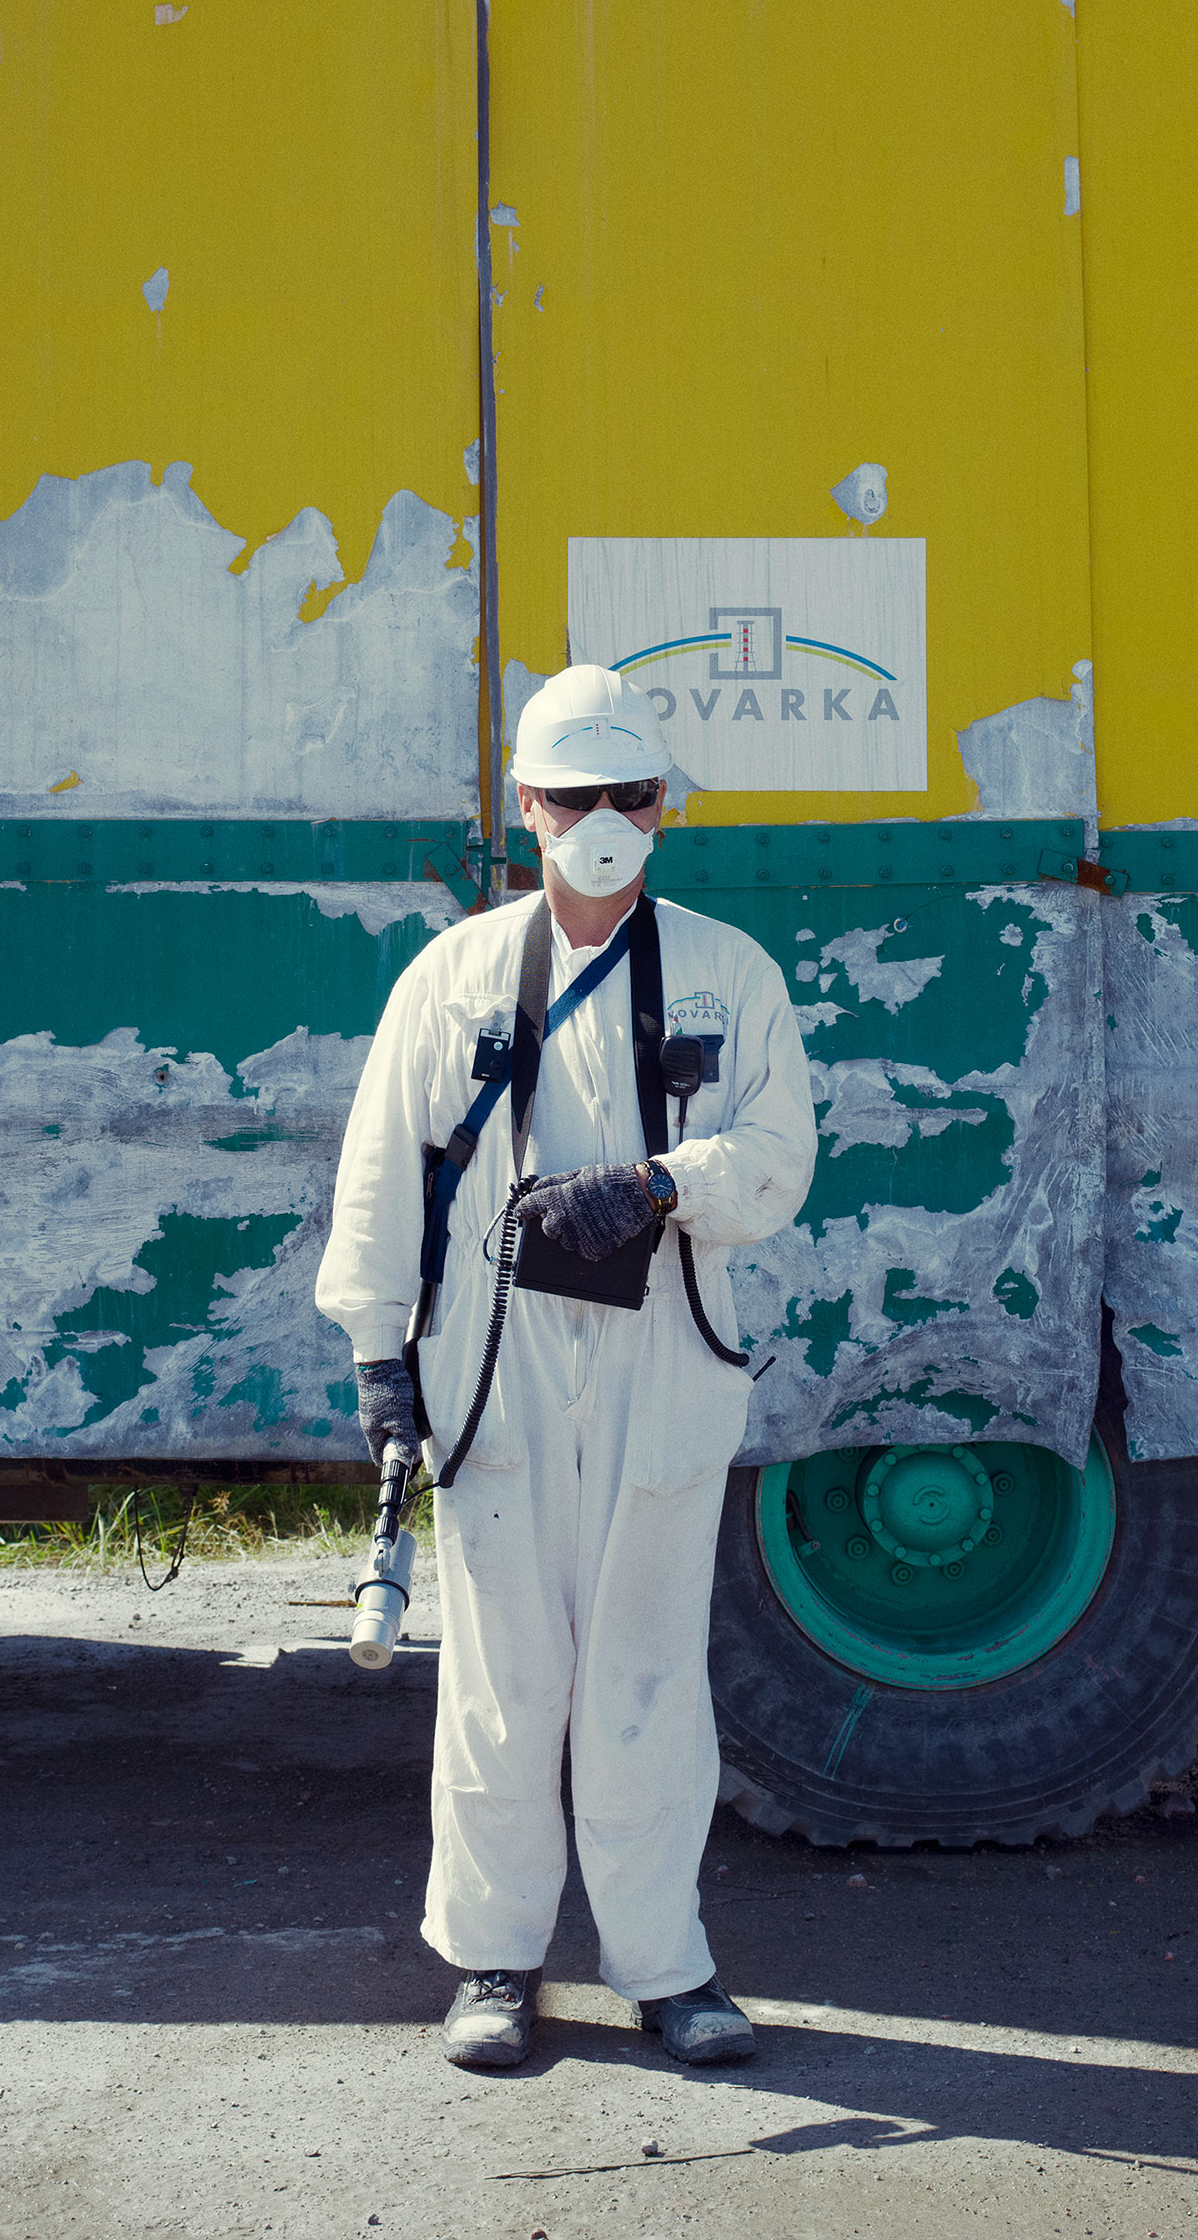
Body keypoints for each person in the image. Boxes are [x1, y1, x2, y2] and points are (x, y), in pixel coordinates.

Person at [316, 665, 818, 2072]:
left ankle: (668, 1968)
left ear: (668, 808)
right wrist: (379, 1357)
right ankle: (494, 1960)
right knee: (500, 1673)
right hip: (496, 1358)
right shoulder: (456, 976)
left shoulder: (731, 971)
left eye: (631, 796)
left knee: (651, 1670)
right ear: (525, 807)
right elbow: (379, 1177)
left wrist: (664, 1182)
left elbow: (780, 1161)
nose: (604, 821)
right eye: (574, 796)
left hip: (666, 1349)